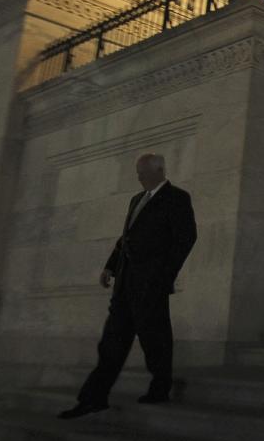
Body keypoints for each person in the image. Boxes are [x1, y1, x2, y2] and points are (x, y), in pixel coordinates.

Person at [58, 153, 197, 419]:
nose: (138, 176)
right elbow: (127, 238)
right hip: (125, 283)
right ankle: (93, 397)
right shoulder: (136, 200)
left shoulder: (177, 198)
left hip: (151, 284)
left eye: (142, 172)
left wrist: (164, 276)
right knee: (111, 342)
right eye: (137, 172)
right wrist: (110, 265)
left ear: (158, 170)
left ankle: (160, 386)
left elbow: (186, 238)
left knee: (154, 338)